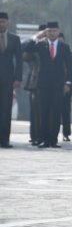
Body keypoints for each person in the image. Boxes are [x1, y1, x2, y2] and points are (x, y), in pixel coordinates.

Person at [23, 21, 72, 148]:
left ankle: (53, 140)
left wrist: (68, 83)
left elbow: (70, 66)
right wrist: (37, 36)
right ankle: (45, 139)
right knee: (44, 112)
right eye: (49, 31)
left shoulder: (64, 47)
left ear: (58, 31)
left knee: (56, 112)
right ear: (46, 32)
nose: (52, 33)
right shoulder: (40, 45)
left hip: (58, 84)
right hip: (43, 84)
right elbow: (25, 48)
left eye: (54, 31)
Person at [0, 11, 22, 148]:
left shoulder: (14, 39)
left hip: (8, 79)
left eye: (3, 22)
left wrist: (18, 78)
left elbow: (19, 60)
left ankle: (4, 139)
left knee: (6, 110)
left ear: (7, 23)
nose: (1, 24)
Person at [58, 32, 72, 142]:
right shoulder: (50, 53)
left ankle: (66, 133)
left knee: (66, 111)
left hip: (67, 87)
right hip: (53, 87)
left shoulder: (71, 55)